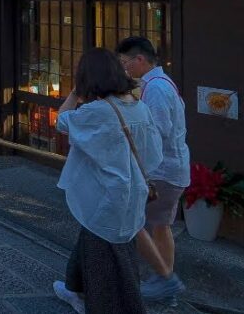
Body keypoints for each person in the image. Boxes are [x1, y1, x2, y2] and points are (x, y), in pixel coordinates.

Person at [51, 48, 162, 314]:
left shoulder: (98, 111)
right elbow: (153, 154)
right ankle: (73, 287)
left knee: (107, 259)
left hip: (105, 195)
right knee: (96, 238)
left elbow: (62, 121)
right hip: (134, 191)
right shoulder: (140, 108)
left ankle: (109, 304)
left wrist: (75, 93)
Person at [117, 37, 189, 302]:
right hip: (172, 168)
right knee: (160, 225)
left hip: (162, 170)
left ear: (140, 59)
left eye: (125, 62)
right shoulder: (160, 82)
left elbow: (158, 131)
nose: (125, 68)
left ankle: (165, 280)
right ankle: (165, 281)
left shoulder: (156, 88)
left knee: (138, 223)